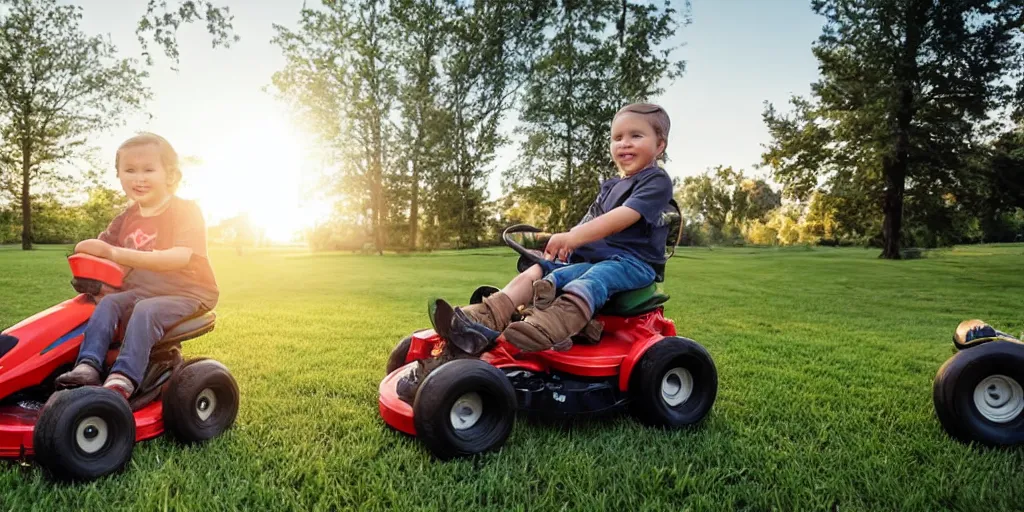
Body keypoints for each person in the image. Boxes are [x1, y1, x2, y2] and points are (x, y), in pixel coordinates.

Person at [443, 102, 675, 354]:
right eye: (617, 137)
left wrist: (573, 237)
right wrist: (563, 244)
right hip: (597, 260)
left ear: (659, 145)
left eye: (636, 136)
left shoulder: (656, 181)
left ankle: (550, 325)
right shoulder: (609, 187)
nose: (624, 143)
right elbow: (588, 222)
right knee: (540, 269)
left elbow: (623, 216)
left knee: (596, 278)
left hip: (633, 264)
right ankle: (488, 315)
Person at [55, 133, 219, 400]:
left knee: (145, 310)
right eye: (129, 170)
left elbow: (178, 257)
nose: (138, 178)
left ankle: (124, 376)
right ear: (119, 175)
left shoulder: (185, 211)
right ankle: (88, 365)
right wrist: (91, 266)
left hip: (187, 292)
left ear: (170, 175)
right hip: (143, 289)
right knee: (107, 304)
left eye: (148, 170)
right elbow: (102, 251)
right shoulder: (126, 218)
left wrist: (115, 252)